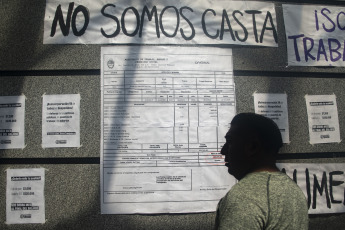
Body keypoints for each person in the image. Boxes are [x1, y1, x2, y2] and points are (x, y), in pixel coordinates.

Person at [215, 113, 308, 230]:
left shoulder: (244, 197)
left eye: (230, 141)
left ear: (252, 147)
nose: (222, 151)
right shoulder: (294, 190)